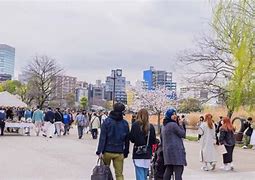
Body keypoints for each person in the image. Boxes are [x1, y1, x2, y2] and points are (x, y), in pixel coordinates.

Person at [96, 103, 130, 180]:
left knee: (104, 173)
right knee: (119, 174)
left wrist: (99, 151)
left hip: (107, 151)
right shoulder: (125, 123)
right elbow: (127, 139)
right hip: (119, 151)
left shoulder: (107, 121)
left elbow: (103, 138)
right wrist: (126, 151)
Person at [129, 108, 156, 180]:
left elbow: (132, 139)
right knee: (145, 173)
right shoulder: (151, 127)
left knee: (139, 173)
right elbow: (153, 141)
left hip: (138, 152)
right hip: (147, 152)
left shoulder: (135, 125)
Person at [161, 108, 186, 180]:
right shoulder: (173, 125)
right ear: (170, 116)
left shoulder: (164, 125)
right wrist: (180, 124)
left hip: (167, 152)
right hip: (176, 152)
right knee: (178, 170)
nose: (175, 116)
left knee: (169, 169)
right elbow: (182, 134)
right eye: (173, 114)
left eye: (175, 114)